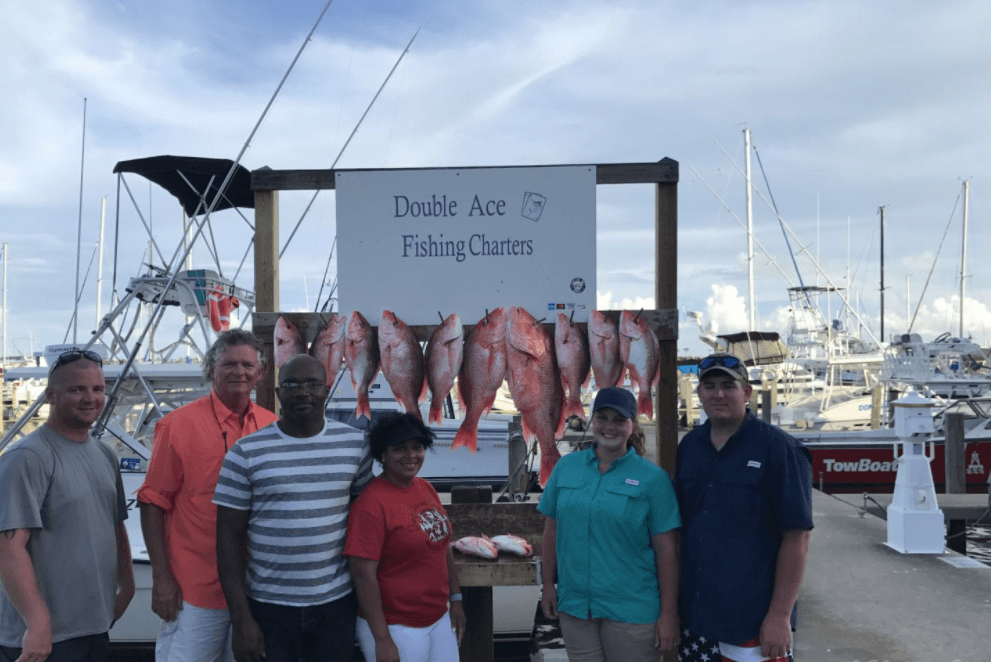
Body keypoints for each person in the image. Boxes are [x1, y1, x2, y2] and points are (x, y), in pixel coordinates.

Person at [214, 354, 373, 662]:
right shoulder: (245, 452)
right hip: (268, 608)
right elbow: (227, 541)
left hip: (336, 605)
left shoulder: (356, 445)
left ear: (326, 390)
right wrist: (241, 619)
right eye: (292, 385)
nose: (303, 392)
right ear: (278, 394)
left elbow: (366, 523)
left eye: (313, 384)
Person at [137, 329, 278, 662]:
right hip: (195, 591)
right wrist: (161, 579)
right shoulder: (177, 425)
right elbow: (152, 502)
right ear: (212, 369)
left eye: (247, 365)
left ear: (259, 374)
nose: (239, 372)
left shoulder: (273, 426)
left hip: (254, 592)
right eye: (229, 364)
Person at [675, 352, 813, 662]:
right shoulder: (690, 447)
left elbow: (797, 538)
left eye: (728, 385)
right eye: (709, 386)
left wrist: (779, 617)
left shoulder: (779, 448)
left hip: (751, 621)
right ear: (698, 393)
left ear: (746, 392)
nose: (718, 394)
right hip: (697, 620)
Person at [0, 350, 134, 662]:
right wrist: (37, 622)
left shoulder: (105, 455)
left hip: (94, 627)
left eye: (97, 389)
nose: (90, 398)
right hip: (43, 638)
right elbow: (9, 549)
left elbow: (115, 526)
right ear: (50, 395)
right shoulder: (27, 458)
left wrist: (127, 588)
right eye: (77, 389)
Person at [539, 387, 681, 662]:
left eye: (619, 420)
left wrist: (668, 614)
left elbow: (667, 552)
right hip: (576, 607)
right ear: (593, 421)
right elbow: (552, 530)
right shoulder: (566, 467)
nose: (610, 426)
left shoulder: (653, 479)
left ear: (632, 425)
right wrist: (547, 584)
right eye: (602, 418)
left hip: (633, 612)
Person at [345, 412, 466, 662]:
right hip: (395, 625)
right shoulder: (371, 503)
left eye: (417, 447)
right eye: (400, 449)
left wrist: (456, 599)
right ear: (383, 454)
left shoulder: (425, 488)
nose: (411, 455)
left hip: (438, 617)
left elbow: (442, 547)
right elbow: (362, 574)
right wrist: (382, 639)